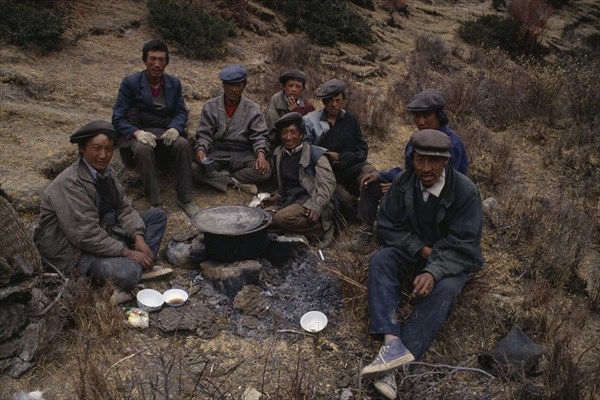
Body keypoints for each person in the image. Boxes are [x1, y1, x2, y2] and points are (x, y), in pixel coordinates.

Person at [360, 129, 483, 399]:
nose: (426, 168)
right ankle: (392, 342)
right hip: (416, 252)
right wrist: (418, 248)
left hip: (451, 261)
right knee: (381, 259)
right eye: (419, 160)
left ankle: (393, 367)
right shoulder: (404, 183)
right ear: (412, 159)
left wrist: (434, 270)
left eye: (434, 161)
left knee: (446, 289)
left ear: (446, 161)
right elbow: (388, 226)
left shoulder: (465, 192)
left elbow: (465, 245)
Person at [34, 121, 167, 296]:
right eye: (96, 148)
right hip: (74, 251)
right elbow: (85, 235)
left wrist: (138, 237)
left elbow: (123, 208)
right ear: (82, 148)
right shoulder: (70, 183)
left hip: (105, 234)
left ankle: (139, 261)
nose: (103, 155)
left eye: (109, 149)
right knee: (129, 272)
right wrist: (127, 252)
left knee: (157, 216)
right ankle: (134, 268)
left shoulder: (107, 173)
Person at [349, 88, 469, 251]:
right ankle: (366, 233)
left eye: (427, 116)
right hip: (414, 186)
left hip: (436, 200)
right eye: (416, 116)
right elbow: (410, 171)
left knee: (392, 201)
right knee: (370, 184)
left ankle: (385, 239)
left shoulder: (450, 145)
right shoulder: (418, 139)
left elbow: (441, 184)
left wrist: (403, 188)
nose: (420, 122)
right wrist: (380, 175)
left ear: (439, 116)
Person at [112, 39, 198, 216]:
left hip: (164, 131)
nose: (157, 64)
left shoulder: (173, 83)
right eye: (152, 59)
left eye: (161, 60)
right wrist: (136, 132)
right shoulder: (130, 83)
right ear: (145, 60)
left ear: (167, 63)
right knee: (143, 150)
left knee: (182, 145)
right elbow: (117, 117)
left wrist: (175, 128)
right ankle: (155, 202)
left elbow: (181, 112)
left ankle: (185, 198)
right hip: (139, 132)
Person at [192, 64, 271, 195]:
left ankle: (222, 177)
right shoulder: (210, 106)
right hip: (219, 152)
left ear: (244, 86)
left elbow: (259, 136)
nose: (234, 89)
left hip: (244, 152)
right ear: (223, 85)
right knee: (194, 169)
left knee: (265, 172)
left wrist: (261, 155)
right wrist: (201, 149)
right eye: (230, 85)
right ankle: (233, 181)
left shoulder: (253, 109)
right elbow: (205, 134)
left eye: (238, 85)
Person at [303, 79, 376, 218]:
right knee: (346, 202)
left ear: (343, 100)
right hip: (329, 173)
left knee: (371, 176)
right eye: (330, 101)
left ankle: (373, 211)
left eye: (338, 100)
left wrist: (343, 158)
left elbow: (362, 148)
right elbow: (306, 151)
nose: (334, 105)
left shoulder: (350, 119)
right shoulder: (310, 121)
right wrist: (326, 155)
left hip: (352, 166)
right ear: (324, 102)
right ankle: (362, 212)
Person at [260, 112, 336, 244]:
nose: (288, 137)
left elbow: (328, 185)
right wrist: (276, 196)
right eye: (284, 133)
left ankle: (319, 228)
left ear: (301, 134)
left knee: (281, 218)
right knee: (261, 219)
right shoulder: (278, 154)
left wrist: (316, 205)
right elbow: (284, 186)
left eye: (292, 132)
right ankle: (298, 229)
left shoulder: (316, 154)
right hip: (289, 201)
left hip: (309, 199)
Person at [265, 69, 315, 152]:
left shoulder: (307, 106)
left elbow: (309, 133)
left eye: (298, 86)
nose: (294, 89)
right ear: (284, 87)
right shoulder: (276, 100)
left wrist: (296, 112)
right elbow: (271, 130)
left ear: (303, 89)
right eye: (291, 85)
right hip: (277, 145)